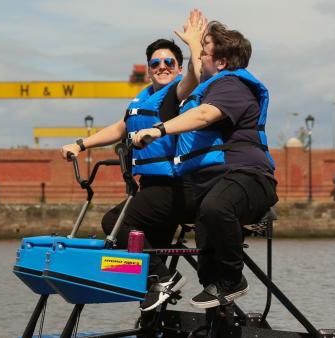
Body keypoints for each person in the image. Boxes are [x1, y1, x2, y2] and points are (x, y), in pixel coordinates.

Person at [61, 9, 206, 312]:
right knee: (138, 244)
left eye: (169, 62)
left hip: (179, 186)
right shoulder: (140, 101)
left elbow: (196, 75)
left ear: (178, 68)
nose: (162, 66)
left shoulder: (178, 93)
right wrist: (80, 144)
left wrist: (195, 45)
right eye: (156, 63)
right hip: (154, 187)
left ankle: (164, 279)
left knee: (114, 223)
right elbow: (120, 127)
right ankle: (154, 305)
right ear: (149, 69)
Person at [133, 20, 279, 309]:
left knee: (216, 208)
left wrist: (158, 130)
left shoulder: (233, 85)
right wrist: (193, 42)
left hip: (250, 177)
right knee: (207, 266)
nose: (198, 57)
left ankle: (234, 279)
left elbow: (203, 115)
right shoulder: (213, 82)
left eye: (204, 53)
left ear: (222, 62)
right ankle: (220, 312)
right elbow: (200, 75)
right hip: (215, 183)